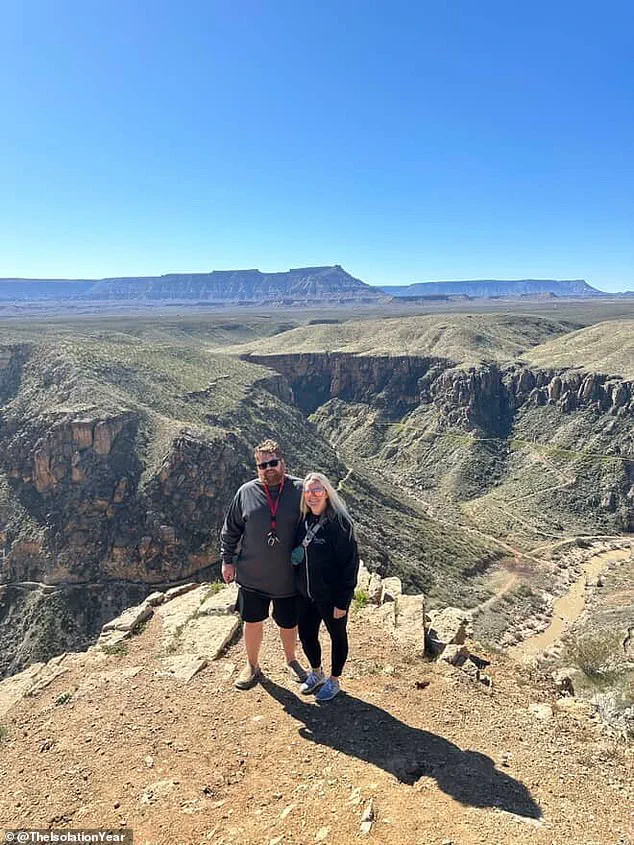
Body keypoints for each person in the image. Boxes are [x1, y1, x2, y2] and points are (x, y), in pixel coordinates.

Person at [220, 439, 307, 690]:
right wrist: (227, 561)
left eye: (272, 463)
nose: (268, 468)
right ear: (257, 467)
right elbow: (231, 530)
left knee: (289, 623)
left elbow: (320, 522)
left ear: (283, 463)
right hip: (252, 575)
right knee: (252, 620)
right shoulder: (246, 492)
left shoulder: (301, 490)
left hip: (288, 577)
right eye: (262, 465)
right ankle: (252, 665)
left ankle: (291, 661)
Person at [293, 472, 359, 701]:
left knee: (337, 636)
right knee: (306, 634)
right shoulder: (302, 520)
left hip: (331, 596)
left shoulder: (339, 524)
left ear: (327, 493)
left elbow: (349, 565)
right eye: (308, 491)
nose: (312, 496)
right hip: (306, 594)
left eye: (317, 490)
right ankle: (317, 673)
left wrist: (343, 601)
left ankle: (334, 680)